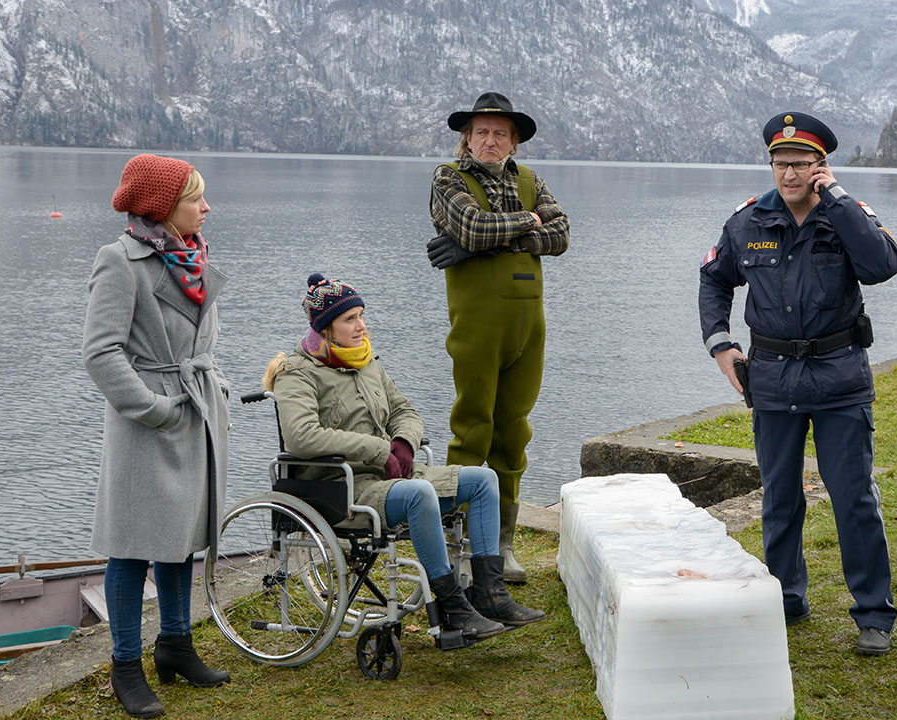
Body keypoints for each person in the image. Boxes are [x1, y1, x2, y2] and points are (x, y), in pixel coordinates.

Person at [698, 112, 897, 655]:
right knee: (780, 497)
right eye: (780, 164)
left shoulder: (846, 215)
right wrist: (721, 344)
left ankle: (874, 615)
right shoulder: (747, 222)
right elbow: (715, 281)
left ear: (821, 166)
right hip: (771, 379)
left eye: (801, 165)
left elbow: (883, 265)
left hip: (839, 377)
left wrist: (836, 198)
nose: (789, 174)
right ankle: (785, 598)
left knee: (854, 497)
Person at [263, 274, 545, 642]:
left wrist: (403, 444)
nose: (361, 326)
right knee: (420, 495)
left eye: (361, 315)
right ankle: (451, 607)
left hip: (392, 475)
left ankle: (490, 595)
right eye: (350, 319)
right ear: (325, 327)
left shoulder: (368, 363)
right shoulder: (298, 373)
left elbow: (405, 411)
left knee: (483, 479)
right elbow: (302, 437)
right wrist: (379, 450)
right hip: (342, 488)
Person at [83, 154, 231, 719]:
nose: (206, 206)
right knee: (131, 548)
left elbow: (198, 346)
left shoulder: (192, 256)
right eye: (197, 197)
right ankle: (126, 666)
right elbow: (100, 352)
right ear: (163, 207)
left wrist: (206, 397)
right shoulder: (120, 261)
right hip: (151, 422)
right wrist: (154, 409)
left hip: (194, 413)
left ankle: (175, 645)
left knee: (179, 538)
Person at [427, 91, 570, 584]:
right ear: (467, 138)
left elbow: (563, 234)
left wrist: (507, 234)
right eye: (482, 132)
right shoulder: (449, 178)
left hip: (529, 327)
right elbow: (468, 228)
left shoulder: (529, 180)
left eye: (501, 133)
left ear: (514, 141)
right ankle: (460, 543)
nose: (491, 140)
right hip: (477, 325)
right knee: (472, 431)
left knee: (514, 433)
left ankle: (502, 546)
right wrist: (528, 223)